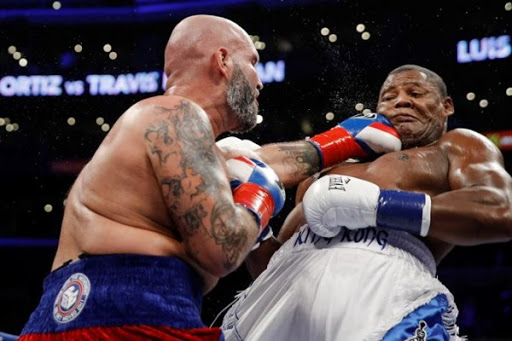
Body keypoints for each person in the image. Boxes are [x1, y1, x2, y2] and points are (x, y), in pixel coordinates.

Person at [18, 13, 404, 339]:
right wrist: (259, 197)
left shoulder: (181, 136)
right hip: (120, 317)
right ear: (222, 60)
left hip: (108, 314)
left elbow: (262, 163)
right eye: (252, 61)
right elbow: (222, 250)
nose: (260, 80)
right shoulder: (176, 116)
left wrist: (345, 140)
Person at [221, 64, 512, 340]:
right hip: (284, 306)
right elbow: (273, 268)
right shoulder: (328, 170)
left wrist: (376, 204)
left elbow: (498, 209)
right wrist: (255, 225)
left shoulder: (454, 146)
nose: (401, 101)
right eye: (389, 96)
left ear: (446, 106)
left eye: (415, 93)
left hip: (384, 295)